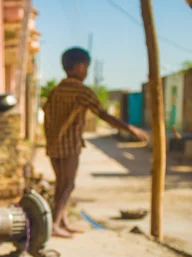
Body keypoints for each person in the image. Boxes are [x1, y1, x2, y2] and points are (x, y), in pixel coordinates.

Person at [43, 47, 149, 238]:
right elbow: (103, 114)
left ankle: (62, 221)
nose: (86, 71)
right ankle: (55, 224)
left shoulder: (55, 91)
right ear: (80, 66)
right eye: (86, 67)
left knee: (61, 183)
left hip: (53, 144)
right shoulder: (82, 91)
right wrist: (130, 128)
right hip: (69, 145)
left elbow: (47, 115)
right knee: (67, 185)